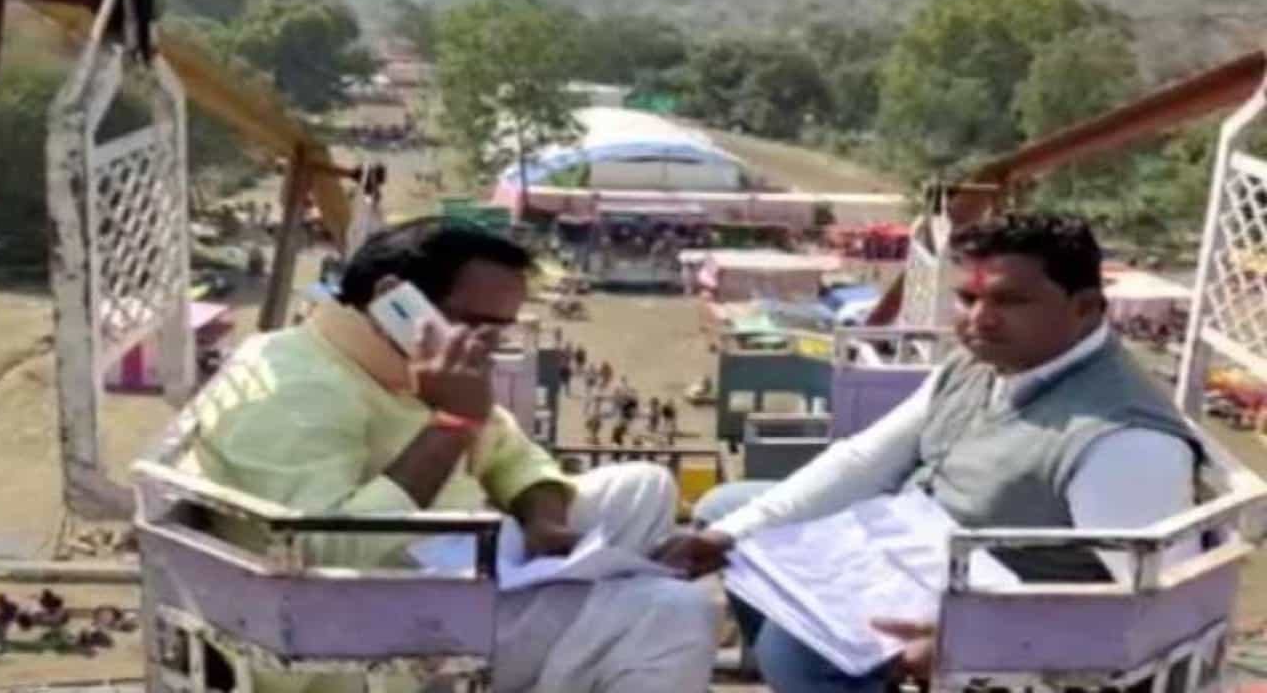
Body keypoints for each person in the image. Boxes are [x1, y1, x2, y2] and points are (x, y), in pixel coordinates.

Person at [654, 214, 1199, 693]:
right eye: (968, 298)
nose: (979, 319)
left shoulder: (1123, 441)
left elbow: (1156, 604)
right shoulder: (982, 364)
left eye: (1010, 301)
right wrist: (730, 535)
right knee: (728, 514)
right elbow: (866, 461)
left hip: (1000, 599)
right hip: (915, 546)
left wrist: (979, 638)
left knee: (795, 647)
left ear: (1085, 308)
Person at [184, 220, 718, 693]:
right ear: (394, 301)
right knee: (674, 612)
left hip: (451, 564)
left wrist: (545, 521)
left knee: (645, 485)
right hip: (363, 638)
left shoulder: (398, 359)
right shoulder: (294, 389)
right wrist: (451, 424)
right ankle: (618, 635)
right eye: (475, 323)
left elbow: (509, 451)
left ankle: (598, 631)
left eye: (500, 329)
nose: (488, 345)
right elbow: (324, 554)